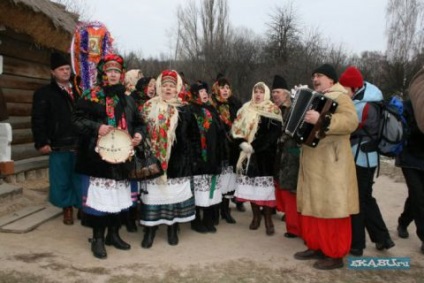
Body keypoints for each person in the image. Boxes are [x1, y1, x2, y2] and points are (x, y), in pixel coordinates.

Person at [72, 54, 144, 259]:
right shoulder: (91, 95)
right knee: (100, 201)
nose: (112, 75)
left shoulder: (128, 99)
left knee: (117, 200)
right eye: (109, 71)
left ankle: (113, 234)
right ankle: (98, 239)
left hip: (122, 159)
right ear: (103, 73)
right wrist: (97, 127)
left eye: (116, 72)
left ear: (121, 75)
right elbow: (76, 120)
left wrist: (139, 135)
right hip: (97, 159)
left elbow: (139, 123)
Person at [293, 64, 359, 270]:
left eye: (319, 75)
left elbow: (351, 121)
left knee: (332, 209)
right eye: (313, 75)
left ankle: (335, 254)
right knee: (313, 206)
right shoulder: (314, 97)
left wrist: (322, 119)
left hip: (332, 165)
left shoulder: (341, 96)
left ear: (331, 79)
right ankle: (316, 246)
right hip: (312, 164)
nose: (315, 79)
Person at [339, 66, 395, 256]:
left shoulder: (363, 105)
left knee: (357, 201)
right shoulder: (369, 97)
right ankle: (382, 238)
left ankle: (357, 245)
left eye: (345, 87)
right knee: (365, 198)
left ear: (354, 88)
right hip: (367, 158)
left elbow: (349, 127)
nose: (343, 91)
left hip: (361, 158)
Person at [139, 70, 197, 248]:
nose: (168, 89)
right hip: (153, 160)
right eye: (165, 85)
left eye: (172, 85)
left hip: (177, 162)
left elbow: (193, 135)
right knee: (152, 198)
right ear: (158, 87)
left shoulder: (185, 109)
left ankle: (172, 229)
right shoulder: (147, 107)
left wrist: (189, 157)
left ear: (178, 88)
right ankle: (150, 231)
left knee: (172, 197)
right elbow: (140, 131)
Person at [31, 52, 82, 225]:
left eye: (67, 68)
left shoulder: (79, 89)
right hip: (58, 141)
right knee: (62, 177)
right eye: (61, 69)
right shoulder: (44, 93)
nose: (66, 72)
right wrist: (42, 141)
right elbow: (38, 119)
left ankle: (81, 206)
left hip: (79, 140)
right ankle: (67, 208)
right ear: (53, 72)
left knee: (80, 175)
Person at [231, 82, 282, 236]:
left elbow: (273, 134)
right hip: (246, 155)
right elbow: (236, 129)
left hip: (265, 156)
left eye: (261, 92)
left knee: (265, 191)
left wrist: (254, 146)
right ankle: (255, 217)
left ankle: (268, 219)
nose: (258, 94)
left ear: (265, 94)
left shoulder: (273, 110)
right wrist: (241, 143)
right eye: (255, 91)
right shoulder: (245, 109)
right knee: (251, 189)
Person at [189, 81, 225, 233]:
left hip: (213, 155)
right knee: (198, 191)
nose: (204, 93)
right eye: (200, 91)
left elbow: (220, 132)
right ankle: (196, 220)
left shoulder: (212, 110)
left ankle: (209, 219)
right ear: (194, 93)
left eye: (205, 90)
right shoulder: (190, 110)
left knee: (211, 189)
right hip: (198, 157)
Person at [211, 75, 244, 224]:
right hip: (217, 147)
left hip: (232, 147)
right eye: (222, 87)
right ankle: (214, 210)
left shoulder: (235, 103)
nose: (225, 90)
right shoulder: (212, 104)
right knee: (217, 181)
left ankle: (225, 210)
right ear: (216, 88)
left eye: (227, 88)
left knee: (228, 180)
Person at [271, 75, 301, 238]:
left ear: (286, 93)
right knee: (283, 191)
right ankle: (292, 225)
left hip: (292, 157)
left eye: (278, 92)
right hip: (279, 157)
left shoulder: (294, 109)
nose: (275, 95)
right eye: (273, 92)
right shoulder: (274, 109)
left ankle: (295, 228)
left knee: (291, 193)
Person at [395, 99, 424, 254]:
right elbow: (406, 130)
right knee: (418, 195)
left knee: (417, 196)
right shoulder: (410, 104)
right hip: (410, 158)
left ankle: (403, 221)